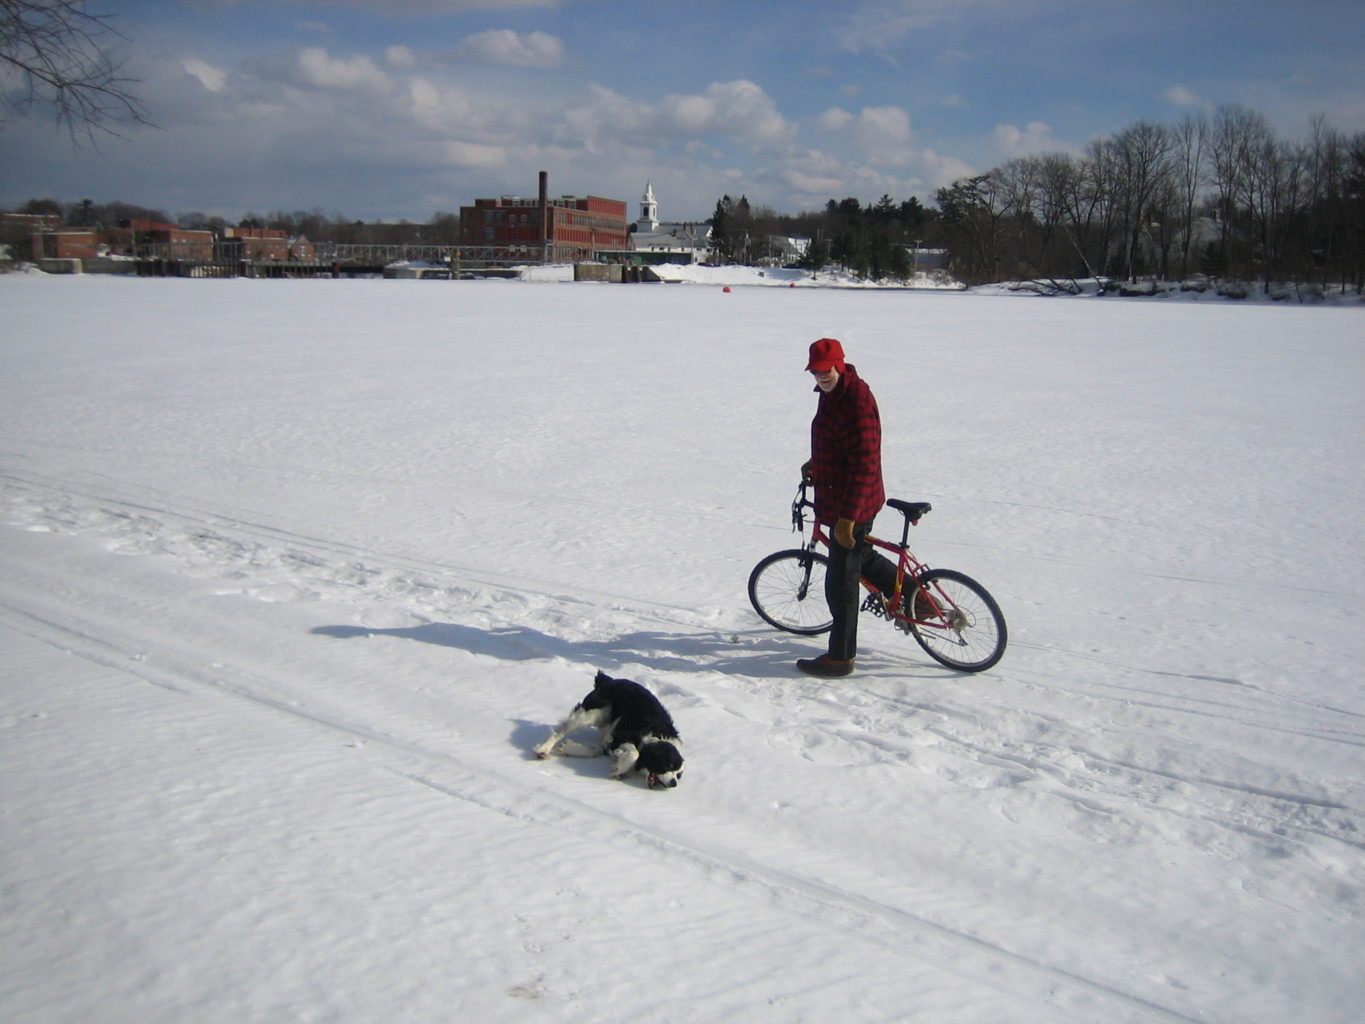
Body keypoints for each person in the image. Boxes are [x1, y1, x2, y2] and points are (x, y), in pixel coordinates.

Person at [797, 337, 899, 677]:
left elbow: (865, 461)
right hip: (841, 496)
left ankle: (840, 657)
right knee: (861, 555)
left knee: (840, 584)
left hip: (853, 502)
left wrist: (847, 519)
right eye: (816, 371)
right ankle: (914, 596)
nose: (821, 376)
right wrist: (817, 462)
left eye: (826, 370)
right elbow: (835, 441)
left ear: (840, 364)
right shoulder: (831, 394)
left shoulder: (855, 400)